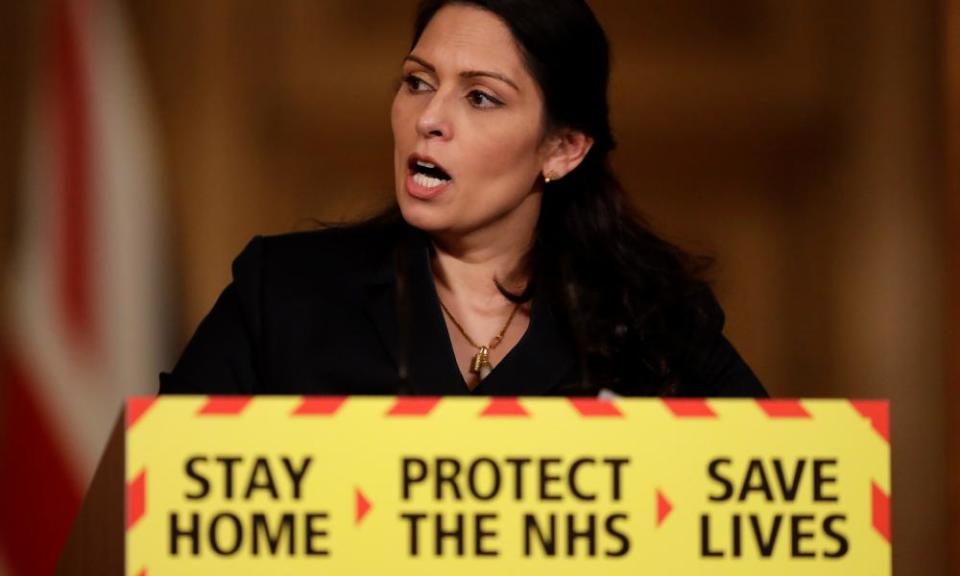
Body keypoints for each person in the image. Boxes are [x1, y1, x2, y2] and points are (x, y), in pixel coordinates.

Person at [159, 0, 766, 398]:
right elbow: (162, 501)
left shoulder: (656, 327)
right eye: (418, 82)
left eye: (480, 98)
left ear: (562, 148)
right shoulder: (283, 294)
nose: (428, 118)